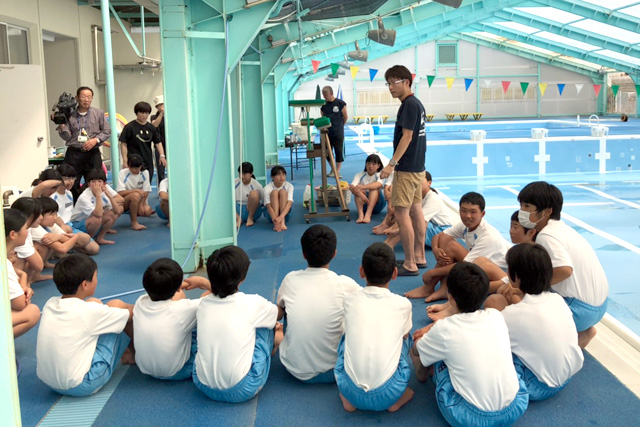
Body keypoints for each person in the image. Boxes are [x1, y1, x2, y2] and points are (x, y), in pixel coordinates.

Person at [411, 262, 529, 427]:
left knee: (425, 351)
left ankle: (421, 374)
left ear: (450, 296)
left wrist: (420, 341)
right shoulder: (495, 316)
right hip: (516, 405)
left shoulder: (445, 329)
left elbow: (417, 350)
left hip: (470, 417)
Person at [184, 246, 283, 403]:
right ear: (242, 278)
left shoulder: (203, 304)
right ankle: (275, 342)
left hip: (202, 384)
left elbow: (217, 292)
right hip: (242, 389)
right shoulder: (252, 303)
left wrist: (206, 284)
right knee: (265, 325)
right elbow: (278, 313)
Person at [485, 244, 584, 401]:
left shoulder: (515, 315)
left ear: (515, 277)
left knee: (493, 302)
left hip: (538, 385)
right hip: (568, 376)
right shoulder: (557, 299)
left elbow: (489, 340)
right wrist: (516, 295)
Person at [517, 181, 609, 348]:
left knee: (520, 303)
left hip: (579, 311)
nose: (521, 211)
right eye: (521, 205)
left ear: (547, 211)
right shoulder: (564, 229)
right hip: (600, 307)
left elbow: (565, 270)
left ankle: (565, 340)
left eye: (527, 206)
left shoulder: (547, 235)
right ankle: (580, 335)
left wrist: (528, 288)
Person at [36, 254, 134, 396]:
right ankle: (133, 355)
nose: (97, 280)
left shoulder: (50, 303)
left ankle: (125, 353)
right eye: (95, 277)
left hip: (50, 383)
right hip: (84, 383)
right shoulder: (87, 312)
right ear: (85, 284)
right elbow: (130, 315)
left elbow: (92, 310)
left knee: (94, 301)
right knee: (117, 307)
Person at [334, 243, 414, 412]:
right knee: (406, 338)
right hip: (389, 392)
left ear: (361, 271)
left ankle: (350, 402)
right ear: (394, 273)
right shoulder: (403, 304)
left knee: (345, 338)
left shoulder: (349, 301)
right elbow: (404, 335)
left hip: (350, 390)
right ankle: (395, 400)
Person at [277, 225, 360, 383]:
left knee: (288, 309)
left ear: (303, 254)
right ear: (334, 254)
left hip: (294, 369)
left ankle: (286, 341)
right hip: (335, 370)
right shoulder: (344, 284)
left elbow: (280, 311)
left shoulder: (290, 280)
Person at [405, 192, 511, 304]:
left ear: (482, 214)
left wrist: (433, 272)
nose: (467, 216)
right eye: (464, 211)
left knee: (464, 258)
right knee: (446, 241)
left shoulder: (489, 236)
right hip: (478, 267)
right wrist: (436, 249)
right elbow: (439, 236)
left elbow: (465, 266)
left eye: (473, 212)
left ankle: (431, 287)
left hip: (497, 276)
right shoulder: (466, 225)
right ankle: (443, 288)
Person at [379, 65, 427, 276]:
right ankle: (420, 256)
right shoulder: (417, 104)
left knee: (402, 214)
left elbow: (407, 137)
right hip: (418, 168)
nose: (390, 87)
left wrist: (391, 164)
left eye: (394, 83)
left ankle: (409, 263)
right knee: (417, 211)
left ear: (407, 82)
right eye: (388, 83)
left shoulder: (409, 105)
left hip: (407, 169)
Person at [133, 258, 201, 380]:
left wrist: (177, 287)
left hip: (146, 369)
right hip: (177, 371)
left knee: (179, 314)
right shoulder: (182, 310)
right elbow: (216, 299)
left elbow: (173, 297)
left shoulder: (140, 302)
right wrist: (204, 283)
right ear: (177, 287)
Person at [55, 86, 111, 200]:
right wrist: (61, 124)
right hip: (74, 153)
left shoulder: (99, 113)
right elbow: (67, 137)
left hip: (92, 152)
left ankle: (95, 204)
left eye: (89, 97)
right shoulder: (69, 115)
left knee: (95, 180)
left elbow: (107, 131)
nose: (86, 99)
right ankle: (73, 206)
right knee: (70, 181)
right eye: (83, 96)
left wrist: (96, 140)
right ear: (77, 98)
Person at [383, 171, 457, 251]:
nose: (417, 182)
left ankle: (389, 246)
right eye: (416, 179)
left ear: (429, 183)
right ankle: (387, 242)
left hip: (442, 232)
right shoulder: (417, 196)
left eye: (420, 179)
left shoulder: (433, 198)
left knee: (411, 222)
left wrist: (398, 230)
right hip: (431, 226)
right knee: (404, 216)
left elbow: (419, 220)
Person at [4, 209, 40, 339]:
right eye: (25, 229)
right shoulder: (4, 265)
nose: (27, 232)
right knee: (32, 312)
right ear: (13, 234)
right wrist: (24, 280)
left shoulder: (5, 259)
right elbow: (20, 304)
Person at [119, 101, 167, 183]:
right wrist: (125, 160)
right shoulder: (129, 127)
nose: (144, 115)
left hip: (148, 160)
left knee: (147, 184)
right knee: (135, 185)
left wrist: (162, 155)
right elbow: (123, 144)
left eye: (146, 113)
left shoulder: (151, 127)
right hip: (133, 160)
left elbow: (158, 142)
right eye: (142, 113)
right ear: (136, 113)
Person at [70, 169, 120, 245]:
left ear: (104, 183)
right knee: (96, 219)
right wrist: (98, 195)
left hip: (90, 220)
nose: (96, 185)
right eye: (93, 182)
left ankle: (99, 238)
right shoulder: (84, 196)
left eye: (99, 181)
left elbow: (117, 211)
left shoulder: (104, 191)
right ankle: (89, 241)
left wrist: (109, 196)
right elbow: (98, 214)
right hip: (78, 223)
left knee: (111, 214)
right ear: (89, 184)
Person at [11, 197, 49, 283]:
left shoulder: (27, 227)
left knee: (39, 247)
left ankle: (31, 279)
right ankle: (19, 286)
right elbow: (38, 265)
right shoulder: (18, 232)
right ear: (27, 216)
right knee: (18, 259)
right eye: (38, 214)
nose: (41, 217)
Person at [116, 154, 154, 231]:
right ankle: (134, 223)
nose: (135, 170)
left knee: (147, 211)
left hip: (140, 200)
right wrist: (136, 190)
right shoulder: (122, 173)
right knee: (135, 195)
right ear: (128, 166)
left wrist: (141, 205)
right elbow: (120, 193)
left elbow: (146, 191)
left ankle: (134, 209)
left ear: (141, 166)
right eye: (132, 168)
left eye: (137, 168)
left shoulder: (145, 172)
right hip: (125, 200)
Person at [349, 154, 386, 224]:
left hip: (378, 204)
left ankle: (368, 214)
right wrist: (360, 193)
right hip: (363, 204)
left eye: (373, 164)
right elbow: (351, 186)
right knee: (358, 191)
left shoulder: (380, 174)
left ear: (378, 166)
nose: (370, 166)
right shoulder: (360, 175)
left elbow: (378, 184)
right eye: (368, 163)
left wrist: (361, 187)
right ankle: (361, 214)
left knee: (373, 189)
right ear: (365, 164)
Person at [320, 86, 348, 178]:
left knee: (339, 152)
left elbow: (346, 117)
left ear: (331, 93)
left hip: (338, 132)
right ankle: (333, 169)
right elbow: (323, 118)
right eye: (323, 95)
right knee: (328, 153)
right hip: (327, 133)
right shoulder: (324, 106)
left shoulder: (340, 103)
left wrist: (340, 126)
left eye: (326, 95)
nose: (324, 97)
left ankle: (337, 171)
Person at [263, 166, 293, 232]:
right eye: (278, 174)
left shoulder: (289, 186)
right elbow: (268, 206)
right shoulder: (267, 188)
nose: (281, 177)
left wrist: (281, 218)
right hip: (271, 215)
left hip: (285, 215)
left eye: (283, 174)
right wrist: (275, 220)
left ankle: (282, 222)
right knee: (274, 192)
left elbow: (289, 203)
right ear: (272, 177)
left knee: (283, 192)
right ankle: (276, 223)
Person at [235, 162, 264, 228]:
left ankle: (250, 219)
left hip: (250, 210)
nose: (242, 176)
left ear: (251, 173)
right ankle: (238, 219)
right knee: (227, 198)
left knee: (254, 193)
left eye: (244, 174)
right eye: (240, 173)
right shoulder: (234, 183)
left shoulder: (256, 185)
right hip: (237, 210)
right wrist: (237, 216)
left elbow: (265, 201)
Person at [151, 95, 166, 182]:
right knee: (160, 170)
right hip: (159, 147)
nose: (163, 106)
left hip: (170, 146)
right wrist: (161, 114)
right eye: (161, 104)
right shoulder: (154, 117)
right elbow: (155, 124)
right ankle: (162, 190)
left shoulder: (171, 116)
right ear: (157, 107)